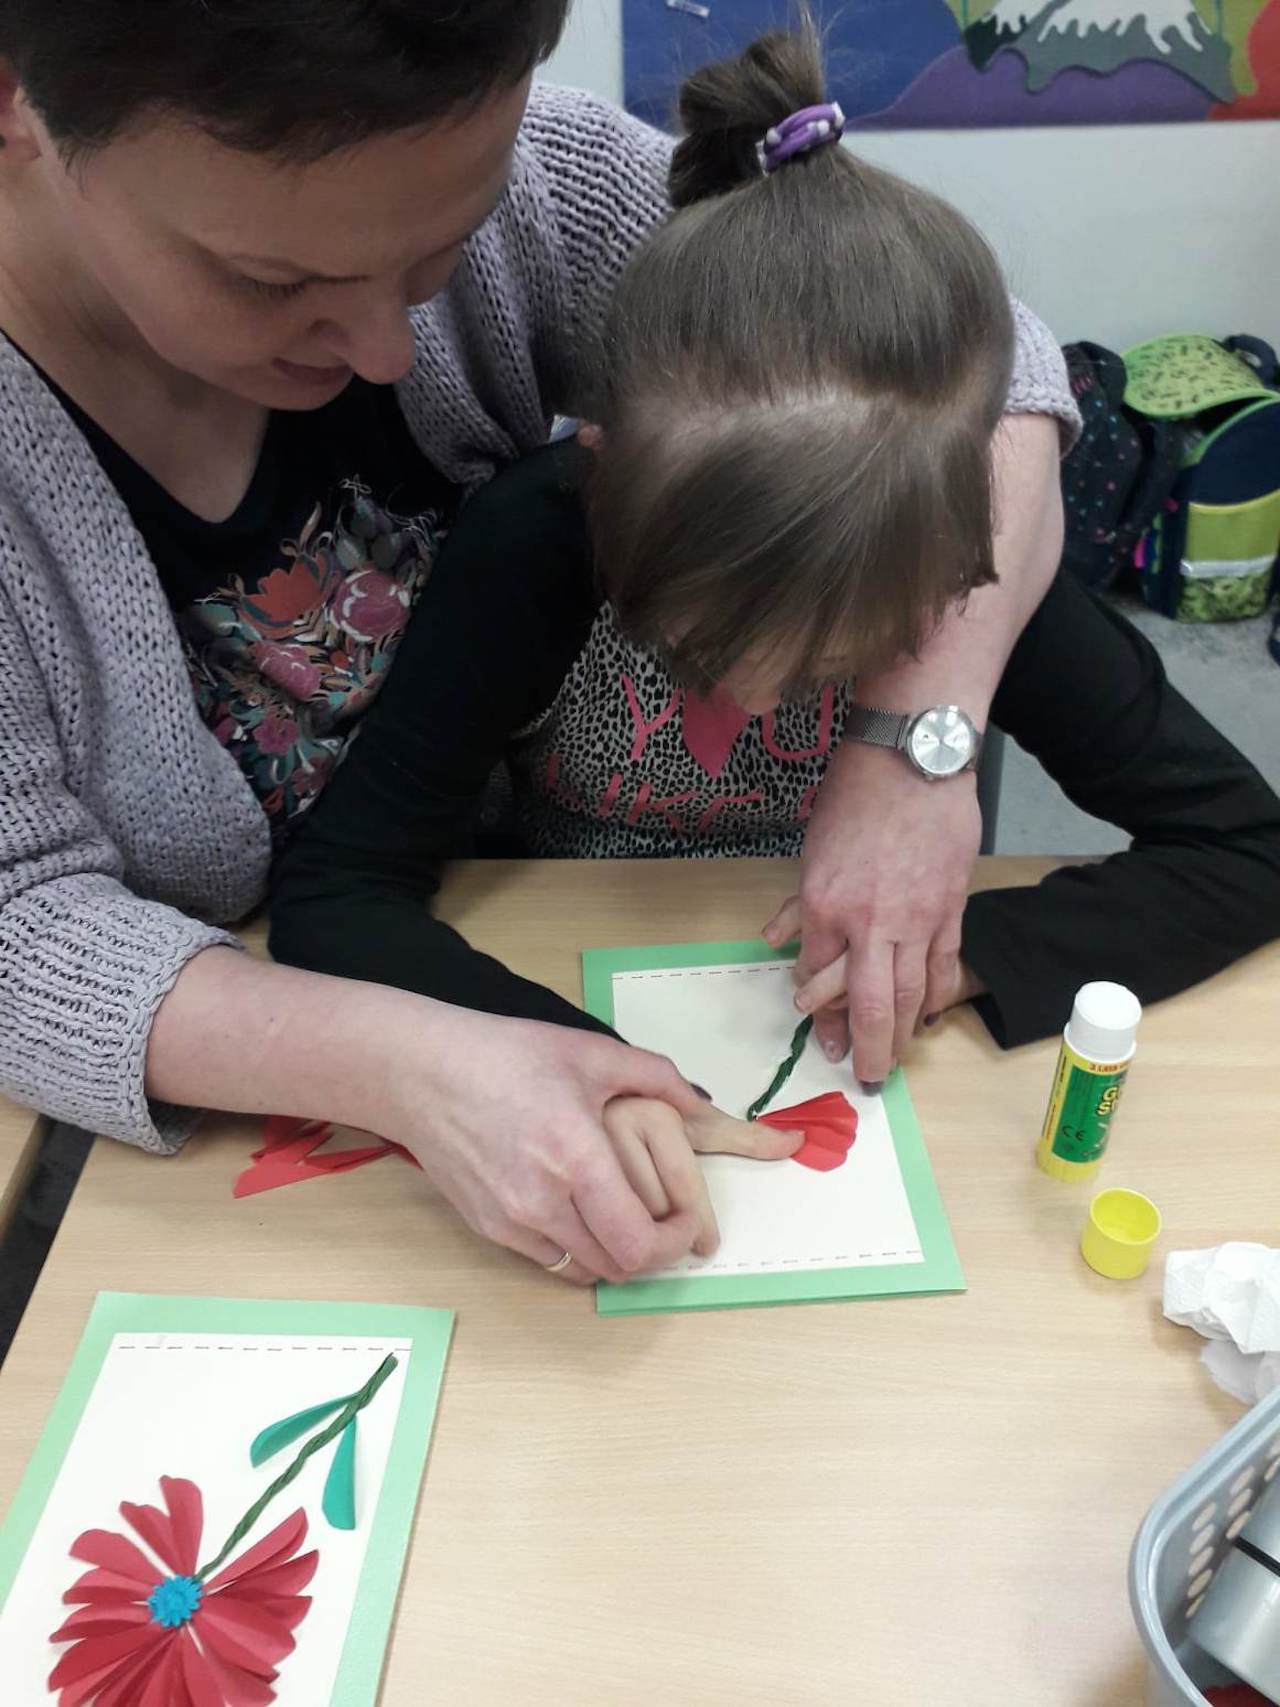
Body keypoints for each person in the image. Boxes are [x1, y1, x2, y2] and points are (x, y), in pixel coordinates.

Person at [0, 2, 1072, 1285]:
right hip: (199, 1090)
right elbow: (20, 926)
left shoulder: (538, 178)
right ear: (17, 103)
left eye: (440, 249)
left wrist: (912, 742)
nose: (386, 348)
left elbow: (984, 370)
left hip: (495, 924)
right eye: (273, 282)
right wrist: (408, 1068)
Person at [269, 27, 1280, 1281]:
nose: (753, 699)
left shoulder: (949, 567)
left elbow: (1246, 847)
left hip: (868, 1073)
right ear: (607, 483)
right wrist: (555, 1055)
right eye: (699, 642)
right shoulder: (536, 541)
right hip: (561, 951)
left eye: (835, 660)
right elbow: (339, 892)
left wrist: (958, 958)